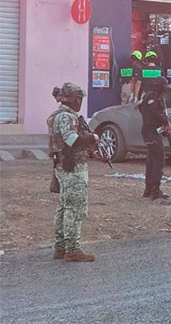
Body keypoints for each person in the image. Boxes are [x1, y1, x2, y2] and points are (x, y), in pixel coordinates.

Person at [47, 82, 97, 262]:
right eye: (79, 98)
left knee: (64, 207)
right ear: (73, 98)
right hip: (72, 168)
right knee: (74, 209)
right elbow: (72, 140)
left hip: (64, 167)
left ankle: (60, 247)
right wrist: (92, 138)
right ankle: (72, 249)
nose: (80, 101)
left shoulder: (61, 115)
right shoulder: (67, 117)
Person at [138, 76, 171, 200]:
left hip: (151, 131)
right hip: (150, 131)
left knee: (152, 160)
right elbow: (153, 112)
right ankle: (154, 190)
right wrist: (165, 122)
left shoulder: (152, 96)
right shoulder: (152, 97)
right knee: (158, 160)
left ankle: (149, 189)